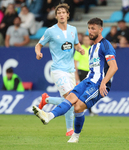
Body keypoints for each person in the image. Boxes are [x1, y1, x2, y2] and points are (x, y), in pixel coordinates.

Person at [33, 17, 118, 143]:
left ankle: (76, 136)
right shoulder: (92, 47)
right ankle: (48, 116)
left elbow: (114, 67)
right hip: (88, 80)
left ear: (101, 30)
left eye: (93, 29)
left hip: (98, 84)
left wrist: (104, 83)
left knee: (78, 107)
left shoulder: (106, 45)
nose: (90, 31)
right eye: (89, 28)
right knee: (70, 98)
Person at [35, 3, 85, 137]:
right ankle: (70, 130)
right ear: (56, 16)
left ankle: (47, 100)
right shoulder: (50, 31)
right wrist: (38, 53)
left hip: (70, 71)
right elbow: (38, 45)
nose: (62, 14)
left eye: (64, 12)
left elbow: (76, 43)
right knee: (70, 98)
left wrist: (80, 48)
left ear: (68, 14)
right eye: (59, 13)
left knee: (72, 101)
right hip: (58, 70)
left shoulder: (73, 29)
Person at [74, 35, 97, 116]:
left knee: (89, 92)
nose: (86, 41)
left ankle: (82, 109)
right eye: (85, 40)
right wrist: (76, 75)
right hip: (82, 72)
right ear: (83, 41)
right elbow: (75, 63)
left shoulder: (93, 49)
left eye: (88, 40)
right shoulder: (80, 49)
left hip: (90, 72)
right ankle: (85, 110)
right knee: (85, 92)